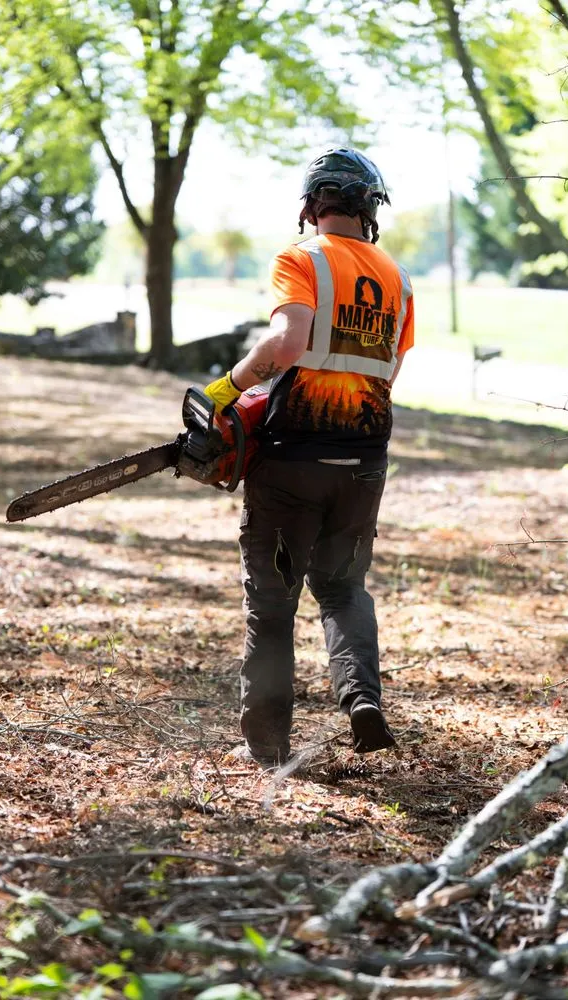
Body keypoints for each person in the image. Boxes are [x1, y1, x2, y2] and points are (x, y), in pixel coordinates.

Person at [202, 147, 415, 766]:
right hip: (364, 462)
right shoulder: (398, 279)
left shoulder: (303, 258)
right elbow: (388, 371)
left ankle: (268, 746)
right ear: (370, 208)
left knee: (271, 604)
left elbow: (289, 341)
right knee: (344, 589)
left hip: (292, 459)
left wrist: (227, 390)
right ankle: (361, 700)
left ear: (311, 204)